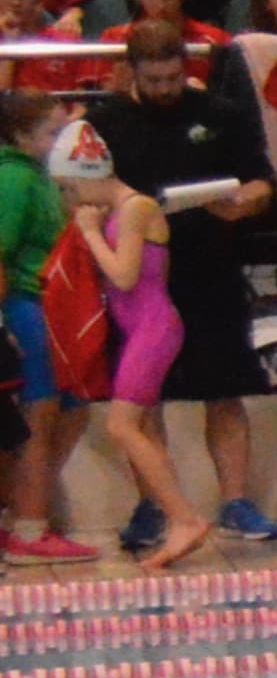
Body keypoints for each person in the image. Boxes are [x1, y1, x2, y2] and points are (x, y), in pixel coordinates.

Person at [82, 6, 277, 550]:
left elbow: (263, 181)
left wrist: (244, 204)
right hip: (142, 281)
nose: (166, 88)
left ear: (185, 65)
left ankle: (236, 500)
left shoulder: (220, 112)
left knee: (224, 389)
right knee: (145, 399)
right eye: (153, 81)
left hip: (211, 268)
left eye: (173, 78)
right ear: (132, 74)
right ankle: (154, 504)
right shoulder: (107, 124)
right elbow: (89, 194)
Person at [35, 107, 205, 565]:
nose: (71, 201)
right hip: (140, 332)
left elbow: (125, 277)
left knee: (120, 426)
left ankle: (185, 519)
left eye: (70, 189)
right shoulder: (121, 210)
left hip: (153, 329)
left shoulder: (135, 208)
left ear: (86, 177)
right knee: (145, 428)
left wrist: (91, 234)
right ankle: (175, 521)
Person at [0, 88, 78, 561]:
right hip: (26, 307)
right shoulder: (13, 178)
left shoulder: (38, 175)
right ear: (22, 135)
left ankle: (22, 513)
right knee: (38, 415)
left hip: (48, 304)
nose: (61, 141)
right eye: (53, 132)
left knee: (68, 409)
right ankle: (28, 527)